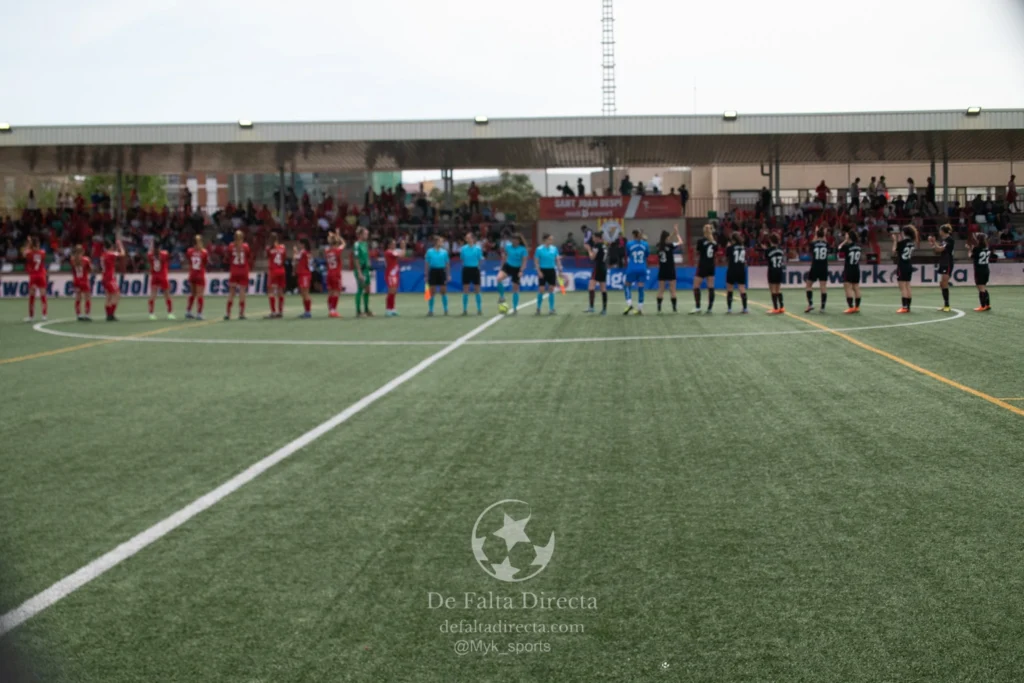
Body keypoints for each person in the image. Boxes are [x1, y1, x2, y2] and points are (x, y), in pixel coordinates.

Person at [496, 233, 528, 314]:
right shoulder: (508, 247)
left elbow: (524, 262)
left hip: (517, 269)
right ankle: (502, 297)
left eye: (516, 240)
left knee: (515, 288)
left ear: (519, 241)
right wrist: (501, 267)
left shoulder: (523, 249)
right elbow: (504, 257)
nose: (514, 241)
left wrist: (521, 271)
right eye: (513, 239)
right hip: (508, 266)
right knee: (499, 278)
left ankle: (515, 308)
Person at [655, 225, 683, 313]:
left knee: (661, 290)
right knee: (673, 290)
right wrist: (677, 234)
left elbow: (665, 241)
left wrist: (672, 234)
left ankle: (659, 307)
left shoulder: (658, 245)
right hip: (670, 269)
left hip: (662, 270)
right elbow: (680, 242)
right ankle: (674, 308)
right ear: (667, 237)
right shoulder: (670, 245)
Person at [224, 230, 251, 320]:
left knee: (231, 292)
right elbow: (248, 256)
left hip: (234, 270)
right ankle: (241, 313)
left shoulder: (231, 246)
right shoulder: (246, 246)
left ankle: (228, 313)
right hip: (243, 270)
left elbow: (228, 257)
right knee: (242, 292)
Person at [929, 224, 955, 312]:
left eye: (940, 230)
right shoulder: (944, 241)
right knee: (942, 284)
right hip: (943, 262)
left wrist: (934, 242)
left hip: (948, 263)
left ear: (943, 231)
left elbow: (940, 249)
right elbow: (937, 250)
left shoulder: (950, 240)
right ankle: (945, 304)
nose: (939, 232)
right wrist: (933, 244)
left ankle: (947, 305)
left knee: (944, 283)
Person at [21, 236, 48, 322]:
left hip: (33, 275)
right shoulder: (43, 253)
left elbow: (23, 254)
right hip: (41, 275)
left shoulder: (30, 253)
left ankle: (31, 316)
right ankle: (44, 315)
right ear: (38, 244)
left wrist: (28, 244)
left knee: (32, 296)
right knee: (43, 295)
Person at [692, 224, 717, 314]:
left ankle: (698, 307)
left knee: (696, 286)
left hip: (702, 265)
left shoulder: (700, 241)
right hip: (711, 266)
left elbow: (697, 252)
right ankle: (710, 308)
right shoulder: (714, 242)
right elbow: (715, 253)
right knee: (711, 286)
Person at [147, 239, 175, 321]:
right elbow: (169, 258)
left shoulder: (150, 255)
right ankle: (170, 313)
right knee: (167, 295)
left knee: (153, 295)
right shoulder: (164, 254)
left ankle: (151, 313)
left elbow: (150, 258)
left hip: (154, 276)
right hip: (162, 276)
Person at [534, 233, 561, 315]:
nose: (551, 241)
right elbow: (536, 261)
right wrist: (539, 271)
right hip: (543, 271)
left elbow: (557, 259)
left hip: (551, 271)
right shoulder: (539, 249)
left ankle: (551, 309)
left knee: (551, 289)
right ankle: (538, 308)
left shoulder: (554, 248)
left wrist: (560, 268)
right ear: (545, 240)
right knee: (541, 290)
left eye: (552, 239)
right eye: (550, 239)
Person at [623, 229, 649, 315]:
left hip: (632, 268)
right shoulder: (645, 244)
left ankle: (629, 304)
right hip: (642, 267)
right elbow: (647, 255)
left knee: (627, 285)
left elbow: (627, 254)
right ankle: (640, 309)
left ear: (633, 235)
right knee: (641, 287)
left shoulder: (629, 244)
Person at [893, 225, 919, 313]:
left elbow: (894, 251)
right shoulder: (912, 243)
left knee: (903, 287)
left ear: (903, 233)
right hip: (908, 265)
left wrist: (895, 240)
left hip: (902, 266)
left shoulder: (902, 243)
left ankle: (904, 307)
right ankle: (908, 307)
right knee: (908, 286)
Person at [804, 228, 830, 313]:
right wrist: (824, 235)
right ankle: (822, 307)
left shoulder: (813, 243)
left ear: (816, 235)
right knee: (823, 287)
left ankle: (810, 304)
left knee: (808, 285)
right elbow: (825, 242)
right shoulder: (826, 244)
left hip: (815, 266)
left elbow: (812, 244)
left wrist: (816, 233)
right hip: (824, 267)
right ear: (823, 235)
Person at [425, 236, 450, 316]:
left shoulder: (444, 252)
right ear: (436, 242)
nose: (442, 243)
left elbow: (447, 264)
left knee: (443, 291)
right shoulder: (429, 251)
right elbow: (427, 264)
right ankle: (431, 310)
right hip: (433, 271)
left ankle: (446, 309)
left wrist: (448, 274)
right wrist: (426, 275)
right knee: (432, 292)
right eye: (440, 241)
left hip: (442, 271)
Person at [323, 231, 347, 318]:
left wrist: (334, 236)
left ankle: (330, 310)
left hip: (329, 273)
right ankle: (333, 311)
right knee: (336, 292)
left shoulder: (327, 251)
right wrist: (338, 236)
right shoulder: (337, 250)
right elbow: (344, 243)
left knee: (330, 292)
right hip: (336, 274)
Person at [459, 232, 484, 315]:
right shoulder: (463, 249)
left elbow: (480, 259)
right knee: (465, 290)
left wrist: (477, 267)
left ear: (473, 239)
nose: (467, 239)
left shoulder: (478, 248)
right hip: (466, 269)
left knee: (477, 289)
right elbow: (462, 259)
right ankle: (465, 309)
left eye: (469, 237)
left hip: (475, 269)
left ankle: (479, 309)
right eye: (466, 238)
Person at [101, 238, 126, 321]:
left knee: (108, 296)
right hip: (110, 278)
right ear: (111, 246)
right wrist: (120, 245)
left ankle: (108, 315)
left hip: (104, 277)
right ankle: (111, 314)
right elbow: (122, 254)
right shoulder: (110, 254)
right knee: (117, 294)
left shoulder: (103, 255)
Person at [839, 230, 863, 314]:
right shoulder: (859, 247)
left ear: (849, 237)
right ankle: (857, 307)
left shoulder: (847, 246)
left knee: (848, 287)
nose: (845, 235)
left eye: (846, 234)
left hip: (849, 269)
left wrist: (845, 241)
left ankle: (851, 307)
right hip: (856, 269)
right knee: (856, 287)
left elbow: (839, 248)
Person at [724, 232, 748, 314]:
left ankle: (729, 309)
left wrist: (728, 247)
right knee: (742, 288)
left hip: (732, 269)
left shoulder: (730, 247)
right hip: (741, 269)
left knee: (730, 289)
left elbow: (727, 256)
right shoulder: (743, 247)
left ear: (733, 240)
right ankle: (745, 308)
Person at [185, 235, 207, 320]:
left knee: (193, 294)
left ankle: (188, 311)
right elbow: (204, 263)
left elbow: (189, 260)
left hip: (192, 274)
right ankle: (199, 313)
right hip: (200, 275)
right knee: (200, 295)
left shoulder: (189, 251)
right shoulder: (204, 252)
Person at [585, 232, 608, 314]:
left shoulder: (597, 245)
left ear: (598, 238)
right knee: (603, 289)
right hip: (604, 267)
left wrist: (588, 249)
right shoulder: (604, 245)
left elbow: (592, 257)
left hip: (597, 267)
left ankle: (591, 307)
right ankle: (604, 309)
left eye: (594, 237)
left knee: (591, 287)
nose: (593, 239)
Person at [266, 232, 287, 318]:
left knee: (271, 292)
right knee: (281, 291)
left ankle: (273, 312)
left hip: (273, 271)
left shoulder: (269, 249)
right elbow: (284, 258)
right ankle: (280, 311)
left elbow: (268, 257)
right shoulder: (283, 248)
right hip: (281, 270)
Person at [353, 228, 373, 317]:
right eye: (365, 234)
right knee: (360, 289)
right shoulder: (356, 245)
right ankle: (358, 311)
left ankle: (366, 309)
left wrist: (369, 265)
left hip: (366, 270)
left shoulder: (365, 244)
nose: (367, 235)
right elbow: (356, 259)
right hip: (360, 270)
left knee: (367, 290)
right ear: (360, 235)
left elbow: (366, 256)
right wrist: (359, 272)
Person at [969, 233, 992, 311]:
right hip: (986, 269)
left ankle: (982, 306)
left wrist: (969, 250)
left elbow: (971, 256)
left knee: (981, 288)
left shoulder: (976, 248)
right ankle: (987, 304)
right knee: (984, 287)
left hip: (979, 270)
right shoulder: (987, 248)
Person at [70, 244, 92, 321]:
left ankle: (78, 314)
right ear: (82, 251)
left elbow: (72, 270)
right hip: (84, 281)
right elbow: (89, 269)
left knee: (78, 298)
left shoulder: (72, 260)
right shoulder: (86, 259)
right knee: (87, 298)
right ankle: (87, 314)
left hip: (76, 281)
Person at [765, 234, 786, 314]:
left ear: (770, 241)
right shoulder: (781, 250)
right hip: (779, 270)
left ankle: (775, 308)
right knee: (778, 289)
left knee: (773, 289)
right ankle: (781, 307)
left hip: (772, 270)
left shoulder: (768, 250)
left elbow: (767, 258)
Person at [383, 237, 403, 317]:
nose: (395, 245)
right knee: (391, 291)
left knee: (394, 291)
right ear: (389, 245)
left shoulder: (393, 251)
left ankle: (392, 308)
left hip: (395, 274)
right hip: (390, 274)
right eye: (393, 243)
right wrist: (403, 247)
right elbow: (401, 255)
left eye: (395, 243)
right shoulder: (388, 252)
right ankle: (388, 309)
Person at [294, 239, 314, 318]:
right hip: (304, 274)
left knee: (305, 293)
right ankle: (306, 311)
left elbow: (296, 258)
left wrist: (295, 251)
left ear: (303, 244)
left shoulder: (303, 252)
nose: (299, 245)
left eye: (300, 244)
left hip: (304, 274)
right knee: (303, 293)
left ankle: (308, 311)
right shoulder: (307, 253)